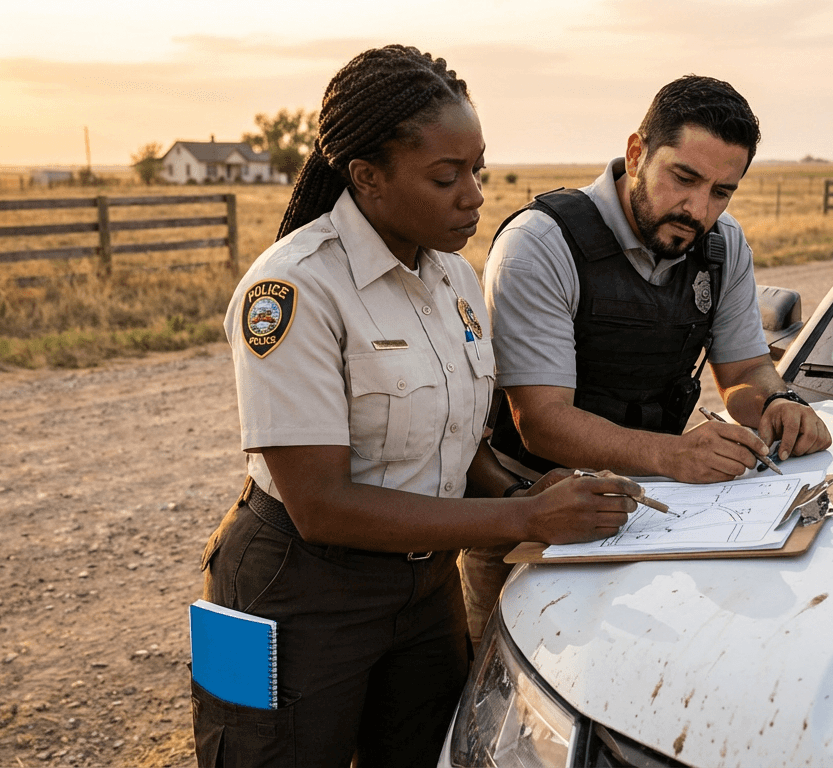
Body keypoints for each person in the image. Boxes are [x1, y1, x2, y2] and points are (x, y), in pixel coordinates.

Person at [193, 45, 641, 768]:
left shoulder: (455, 279)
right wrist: (525, 520)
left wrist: (523, 492)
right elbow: (322, 506)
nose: (474, 195)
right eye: (445, 176)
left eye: (478, 169)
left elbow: (453, 442)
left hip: (426, 587)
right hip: (298, 590)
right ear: (367, 177)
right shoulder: (294, 289)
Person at [463, 75, 833, 640]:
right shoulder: (540, 245)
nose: (698, 209)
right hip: (530, 513)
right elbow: (540, 420)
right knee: (515, 677)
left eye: (722, 191)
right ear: (637, 153)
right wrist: (675, 455)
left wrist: (776, 402)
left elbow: (742, 373)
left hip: (656, 512)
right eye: (683, 179)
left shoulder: (723, 245)